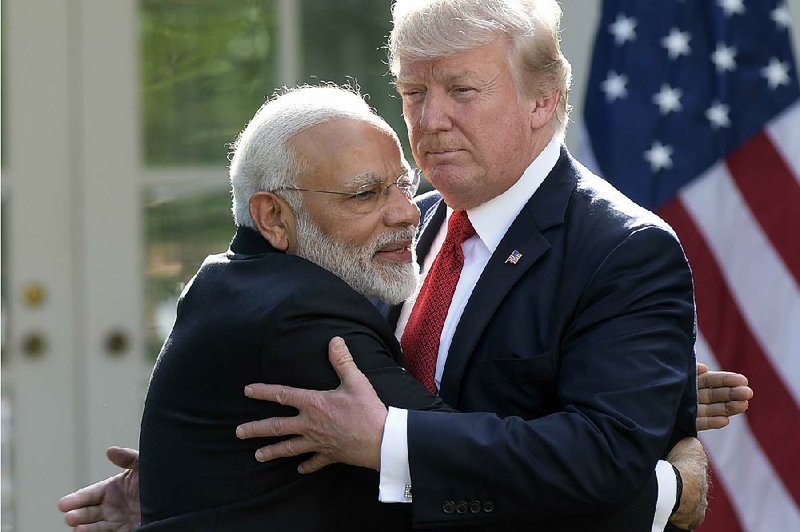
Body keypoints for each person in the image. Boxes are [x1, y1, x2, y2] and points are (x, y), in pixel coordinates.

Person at [58, 1, 754, 529]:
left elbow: (599, 459)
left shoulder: (625, 250)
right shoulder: (397, 222)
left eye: (462, 90)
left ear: (543, 101)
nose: (430, 119)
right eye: (413, 94)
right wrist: (672, 489)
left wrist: (393, 440)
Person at [133, 85, 456, 530]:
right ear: (273, 217)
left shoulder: (229, 282)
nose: (407, 212)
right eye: (365, 194)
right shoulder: (298, 316)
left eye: (403, 184)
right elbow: (464, 467)